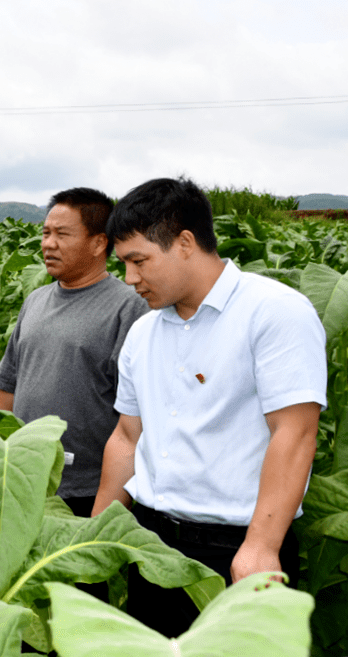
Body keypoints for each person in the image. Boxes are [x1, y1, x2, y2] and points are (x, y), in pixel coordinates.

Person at [92, 177, 327, 637]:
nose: (130, 278)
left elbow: (295, 432)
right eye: (124, 264)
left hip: (236, 549)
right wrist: (95, 535)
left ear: (184, 243)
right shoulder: (143, 333)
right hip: (154, 546)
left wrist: (261, 545)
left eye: (139, 261)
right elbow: (127, 437)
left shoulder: (274, 312)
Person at [0, 187, 149, 517]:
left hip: (88, 490)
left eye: (62, 234)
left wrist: (105, 513)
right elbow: (8, 388)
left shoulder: (129, 309)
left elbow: (138, 417)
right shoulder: (35, 301)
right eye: (46, 233)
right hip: (22, 479)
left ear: (98, 243)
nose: (48, 244)